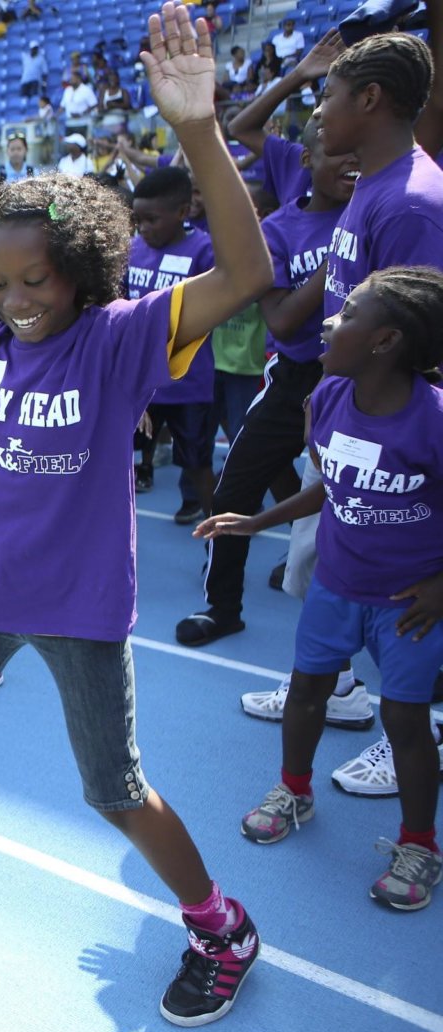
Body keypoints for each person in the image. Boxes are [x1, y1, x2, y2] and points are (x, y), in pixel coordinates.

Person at [0, 4, 273, 1028]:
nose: (11, 298)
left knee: (111, 786)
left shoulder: (119, 342)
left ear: (81, 274)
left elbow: (248, 275)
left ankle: (220, 924)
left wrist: (195, 130)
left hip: (79, 609)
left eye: (32, 280)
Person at [180, 30, 443, 647]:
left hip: (380, 415)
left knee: (388, 571)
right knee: (324, 563)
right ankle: (340, 683)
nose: (319, 110)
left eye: (330, 93)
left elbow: (423, 342)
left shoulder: (409, 205)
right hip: (334, 395)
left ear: (371, 99)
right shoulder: (373, 188)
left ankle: (405, 721)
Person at [199, 266, 443, 910]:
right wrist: (257, 521)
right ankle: (294, 790)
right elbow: (334, 484)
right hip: (337, 586)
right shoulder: (330, 395)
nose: (331, 320)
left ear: (387, 341)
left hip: (407, 606)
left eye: (350, 312)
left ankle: (419, 842)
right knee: (308, 691)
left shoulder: (435, 421)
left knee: (405, 719)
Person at [124, 166, 218, 524]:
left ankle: (218, 539)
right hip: (138, 379)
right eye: (138, 220)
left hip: (187, 383)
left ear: (182, 213)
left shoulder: (204, 251)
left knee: (197, 462)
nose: (144, 228)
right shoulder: (132, 250)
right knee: (116, 458)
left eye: (152, 219)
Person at [227, 31, 345, 208]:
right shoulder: (295, 159)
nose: (350, 160)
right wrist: (299, 75)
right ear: (307, 158)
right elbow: (239, 128)